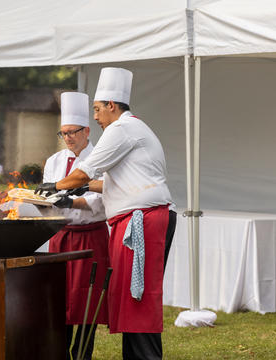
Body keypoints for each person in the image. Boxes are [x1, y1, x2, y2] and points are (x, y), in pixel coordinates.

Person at [36, 68, 176, 360]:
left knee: (138, 297)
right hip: (137, 220)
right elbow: (105, 181)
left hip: (143, 220)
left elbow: (85, 171)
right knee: (130, 296)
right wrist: (82, 187)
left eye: (98, 110)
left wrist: (56, 187)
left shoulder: (121, 129)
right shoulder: (132, 129)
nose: (96, 117)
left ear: (112, 106)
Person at [43, 92, 110, 360]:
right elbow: (48, 198)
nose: (68, 138)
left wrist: (71, 203)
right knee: (58, 302)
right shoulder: (54, 161)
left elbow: (102, 201)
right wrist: (43, 200)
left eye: (73, 132)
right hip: (61, 237)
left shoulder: (101, 158)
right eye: (64, 133)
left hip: (90, 238)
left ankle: (82, 354)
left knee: (85, 301)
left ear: (86, 131)